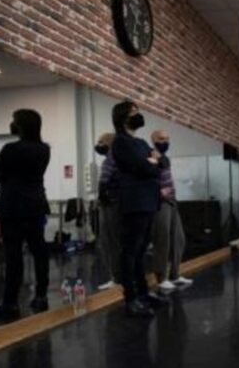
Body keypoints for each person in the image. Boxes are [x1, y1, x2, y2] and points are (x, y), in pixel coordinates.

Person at [0, 109, 51, 319]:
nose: (11, 123)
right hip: (36, 205)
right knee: (39, 252)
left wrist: (8, 177)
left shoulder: (11, 148)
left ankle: (10, 303)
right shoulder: (44, 149)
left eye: (14, 120)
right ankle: (41, 296)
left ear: (20, 125)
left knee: (14, 255)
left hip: (13, 207)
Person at [111, 101, 167, 318]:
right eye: (134, 112)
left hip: (149, 201)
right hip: (134, 202)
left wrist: (152, 162)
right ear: (123, 117)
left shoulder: (142, 142)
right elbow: (142, 166)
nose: (138, 115)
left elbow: (163, 164)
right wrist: (151, 162)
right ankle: (131, 298)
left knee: (141, 251)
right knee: (131, 251)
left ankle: (144, 293)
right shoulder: (120, 143)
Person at [149, 129, 192, 291]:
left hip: (172, 201)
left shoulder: (164, 157)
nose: (165, 141)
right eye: (161, 138)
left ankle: (175, 274)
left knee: (178, 238)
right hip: (161, 203)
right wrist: (158, 192)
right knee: (162, 240)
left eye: (167, 138)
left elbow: (164, 167)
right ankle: (161, 278)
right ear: (153, 140)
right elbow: (147, 177)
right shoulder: (151, 155)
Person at [95, 133, 122, 290]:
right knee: (115, 242)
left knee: (109, 242)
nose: (98, 145)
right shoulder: (118, 160)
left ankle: (116, 277)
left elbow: (104, 182)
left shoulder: (111, 160)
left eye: (101, 142)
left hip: (111, 205)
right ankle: (119, 276)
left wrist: (102, 196)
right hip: (116, 204)